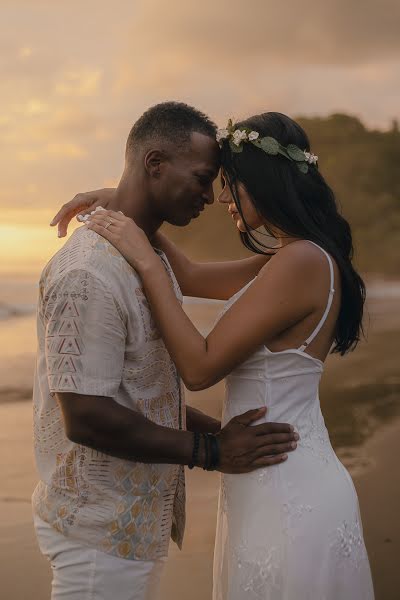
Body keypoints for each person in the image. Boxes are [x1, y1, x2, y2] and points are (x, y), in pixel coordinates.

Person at [75, 111, 375, 599]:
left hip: (287, 486)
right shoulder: (292, 257)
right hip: (272, 474)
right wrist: (125, 209)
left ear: (261, 183)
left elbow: (199, 367)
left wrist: (145, 259)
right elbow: (190, 277)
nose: (219, 198)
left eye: (230, 183)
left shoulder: (301, 261)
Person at [33, 102, 299, 600]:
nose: (209, 195)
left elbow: (138, 389)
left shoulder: (145, 251)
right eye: (202, 178)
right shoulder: (88, 272)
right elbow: (86, 415)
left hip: (126, 525)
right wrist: (212, 451)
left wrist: (219, 431)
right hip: (98, 529)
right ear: (155, 164)